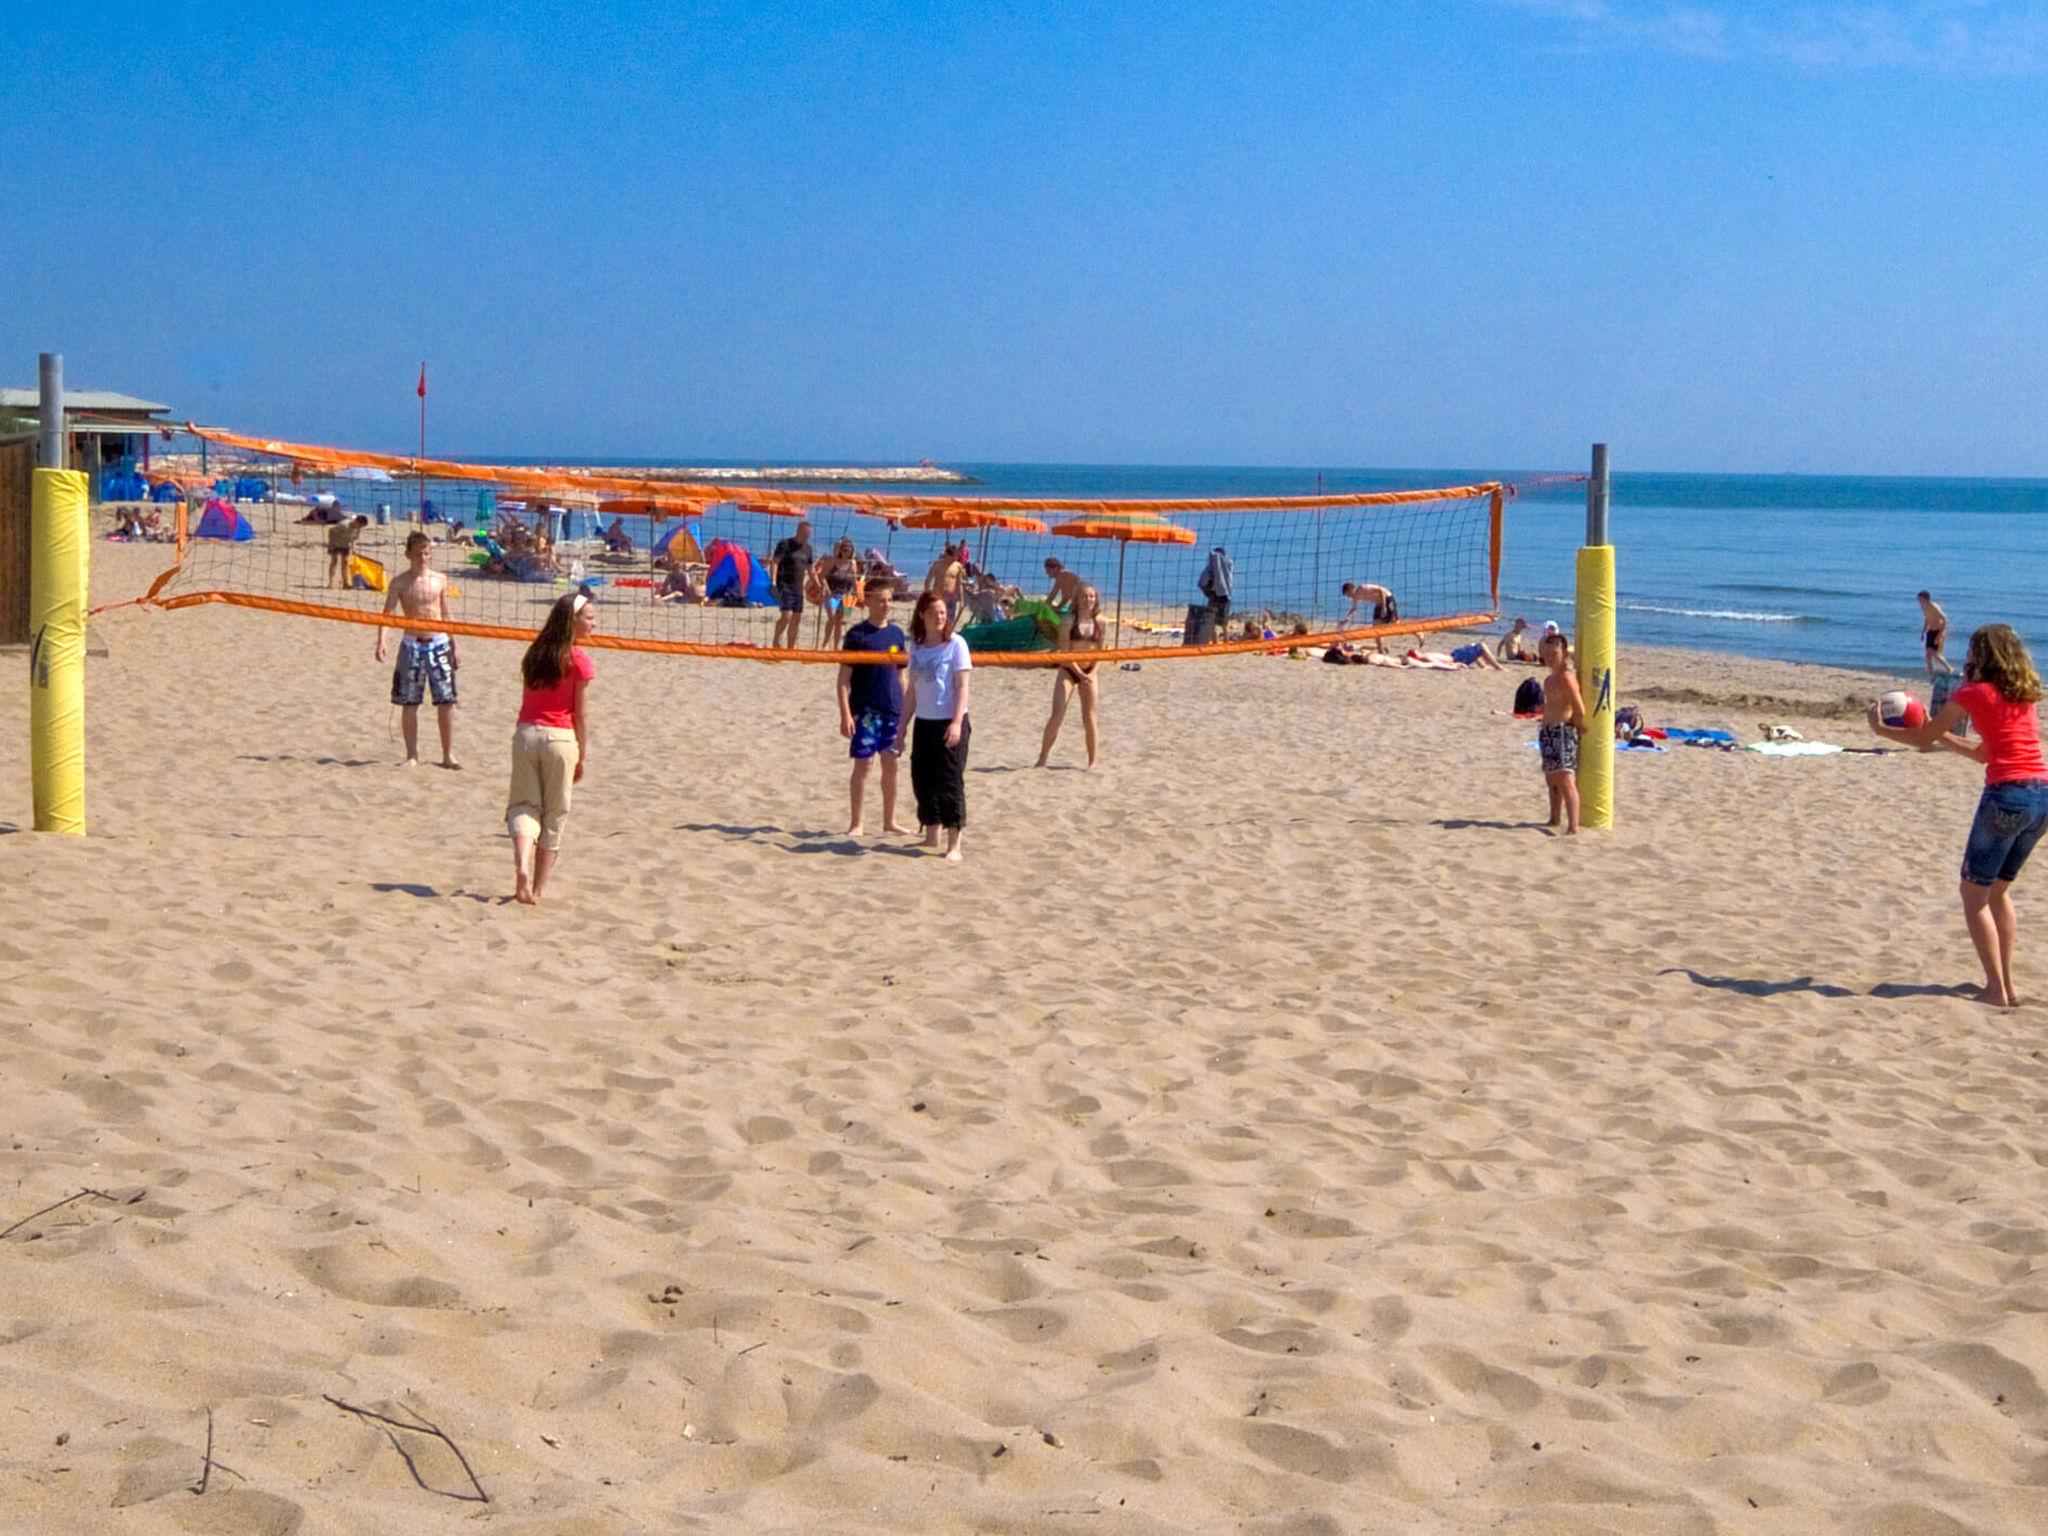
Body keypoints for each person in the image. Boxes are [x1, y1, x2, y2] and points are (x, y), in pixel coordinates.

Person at [1868, 623, 2048, 1008]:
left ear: (1980, 655)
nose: (1966, 657)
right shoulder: (2025, 694)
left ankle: (1995, 990)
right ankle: (2007, 985)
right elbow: (1983, 753)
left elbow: (1920, 739)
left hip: (2007, 796)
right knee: (1998, 892)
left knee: (1974, 896)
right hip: (2040, 796)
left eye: (1971, 651)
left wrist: (1882, 730)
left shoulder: (1972, 691)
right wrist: (1938, 736)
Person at [507, 590, 597, 905]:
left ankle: (521, 866)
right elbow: (581, 715)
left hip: (526, 734)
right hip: (559, 739)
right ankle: (538, 888)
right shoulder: (578, 659)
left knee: (523, 806)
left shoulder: (535, 653)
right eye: (589, 618)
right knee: (555, 815)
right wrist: (582, 755)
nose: (594, 624)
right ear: (572, 621)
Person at [894, 591, 972, 860]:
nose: (939, 617)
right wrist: (902, 727)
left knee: (949, 781)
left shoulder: (956, 644)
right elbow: (912, 693)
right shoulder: (916, 646)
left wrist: (957, 722)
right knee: (922, 779)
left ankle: (954, 844)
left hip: (949, 721)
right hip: (925, 722)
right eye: (934, 612)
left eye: (942, 612)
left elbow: (963, 688)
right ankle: (932, 834)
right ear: (922, 615)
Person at [375, 531, 461, 768]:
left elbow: (446, 613)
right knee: (409, 702)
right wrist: (382, 641)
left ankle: (447, 755)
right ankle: (411, 755)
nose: (422, 558)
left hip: (439, 643)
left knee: (446, 701)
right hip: (411, 644)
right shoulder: (400, 582)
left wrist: (454, 645)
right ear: (408, 554)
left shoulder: (440, 580)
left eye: (426, 553)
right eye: (417, 553)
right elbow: (388, 615)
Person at [837, 580, 909, 836]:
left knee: (892, 766)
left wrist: (906, 713)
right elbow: (843, 680)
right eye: (880, 599)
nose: (886, 605)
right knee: (863, 766)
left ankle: (890, 821)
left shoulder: (897, 635)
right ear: (867, 601)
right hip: (865, 712)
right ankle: (857, 823)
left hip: (892, 711)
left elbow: (902, 677)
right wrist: (845, 714)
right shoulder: (857, 635)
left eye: (889, 599)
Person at [1036, 583, 1104, 768]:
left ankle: (1093, 762)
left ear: (1096, 599)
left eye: (1091, 596)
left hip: (1090, 672)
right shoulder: (1068, 621)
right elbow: (1065, 652)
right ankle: (1042, 758)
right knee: (1057, 715)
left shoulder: (1101, 622)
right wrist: (1080, 674)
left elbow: (1101, 652)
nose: (1087, 599)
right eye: (1083, 596)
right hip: (1068, 670)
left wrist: (1092, 673)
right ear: (1077, 599)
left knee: (1090, 717)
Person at [1538, 630, 1584, 834]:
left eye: (1554, 653)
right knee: (1551, 778)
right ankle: (1554, 818)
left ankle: (1573, 826)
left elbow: (1579, 708)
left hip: (1562, 731)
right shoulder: (1549, 680)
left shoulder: (1567, 677)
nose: (1549, 657)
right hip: (1547, 731)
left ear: (1564, 652)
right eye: (1547, 653)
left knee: (1566, 779)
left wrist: (1576, 724)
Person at [771, 520, 814, 649]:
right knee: (786, 615)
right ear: (799, 531)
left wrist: (817, 584)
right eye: (806, 534)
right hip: (784, 584)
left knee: (797, 618)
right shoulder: (785, 544)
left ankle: (791, 646)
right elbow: (775, 562)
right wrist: (773, 581)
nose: (807, 537)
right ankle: (776, 640)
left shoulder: (808, 549)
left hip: (798, 587)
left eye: (809, 534)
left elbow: (810, 568)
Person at [814, 536, 860, 649]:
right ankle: (825, 643)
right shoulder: (833, 561)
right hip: (831, 594)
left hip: (844, 595)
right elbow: (821, 576)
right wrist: (827, 589)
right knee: (832, 618)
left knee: (840, 621)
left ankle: (836, 646)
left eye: (849, 551)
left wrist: (856, 592)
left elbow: (854, 579)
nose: (846, 553)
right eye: (844, 550)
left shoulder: (852, 564)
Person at [1338, 581, 1400, 652]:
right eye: (1346, 595)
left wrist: (1384, 607)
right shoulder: (1355, 597)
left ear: (1351, 589)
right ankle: (1380, 650)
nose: (1348, 596)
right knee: (1375, 628)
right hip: (1378, 605)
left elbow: (1381, 590)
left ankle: (1413, 630)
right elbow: (1354, 608)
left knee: (1396, 624)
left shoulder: (1362, 588)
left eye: (1347, 594)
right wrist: (1345, 618)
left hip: (1387, 599)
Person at [926, 542, 967, 624]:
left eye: (956, 556)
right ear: (947, 555)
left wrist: (962, 600)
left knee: (949, 621)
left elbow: (959, 583)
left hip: (951, 599)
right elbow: (928, 580)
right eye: (953, 556)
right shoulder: (937, 565)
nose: (955, 558)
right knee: (937, 620)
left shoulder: (957, 566)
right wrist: (928, 596)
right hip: (938, 597)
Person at [1198, 545, 1234, 635]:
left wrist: (1208, 592)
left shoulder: (1224, 566)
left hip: (1217, 595)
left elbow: (1202, 582)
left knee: (1217, 621)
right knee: (1220, 622)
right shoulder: (1227, 566)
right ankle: (1221, 641)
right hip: (1221, 595)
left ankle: (1219, 641)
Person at [326, 515, 368, 588]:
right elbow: (331, 531)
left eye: (362, 526)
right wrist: (331, 545)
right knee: (334, 562)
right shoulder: (343, 525)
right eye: (360, 525)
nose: (360, 527)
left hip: (345, 545)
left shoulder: (358, 528)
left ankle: (345, 583)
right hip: (335, 543)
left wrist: (353, 548)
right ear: (357, 521)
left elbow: (353, 538)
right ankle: (330, 583)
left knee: (345, 563)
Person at [1919, 591, 1954, 678]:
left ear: (1925, 599)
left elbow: (1944, 619)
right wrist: (1923, 632)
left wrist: (1940, 635)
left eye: (1920, 599)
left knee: (1934, 653)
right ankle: (1931, 675)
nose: (1919, 601)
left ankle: (1949, 668)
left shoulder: (1934, 607)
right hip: (1930, 631)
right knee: (1928, 655)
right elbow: (1927, 619)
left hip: (1937, 631)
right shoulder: (1923, 607)